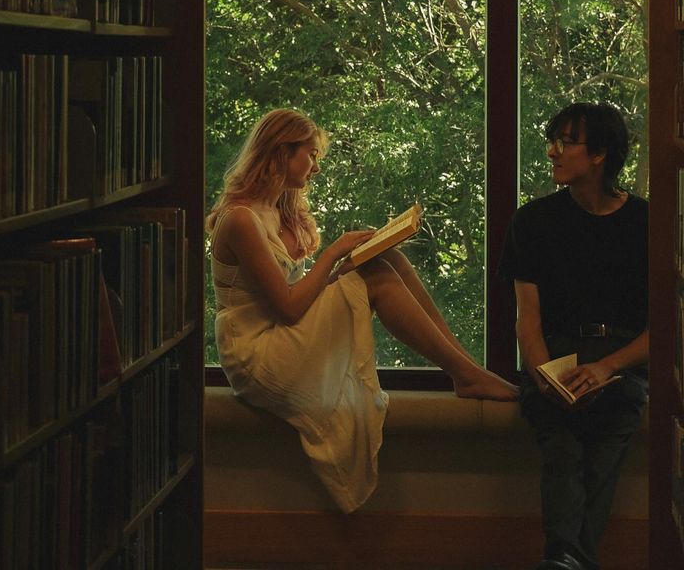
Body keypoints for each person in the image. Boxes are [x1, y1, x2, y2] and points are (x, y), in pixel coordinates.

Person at [207, 108, 519, 513]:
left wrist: (347, 266)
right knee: (380, 281)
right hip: (256, 351)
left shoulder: (279, 211)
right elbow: (286, 308)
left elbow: (296, 297)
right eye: (311, 155)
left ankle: (466, 369)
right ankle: (467, 376)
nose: (316, 168)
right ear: (282, 152)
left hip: (282, 331)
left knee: (390, 263)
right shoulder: (241, 220)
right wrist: (336, 254)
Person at [499, 102, 648, 570]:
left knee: (607, 442)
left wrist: (607, 368)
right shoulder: (533, 221)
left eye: (565, 142)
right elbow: (528, 318)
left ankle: (564, 558)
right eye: (552, 141)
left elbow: (664, 328)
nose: (552, 152)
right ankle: (570, 559)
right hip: (556, 356)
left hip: (619, 360)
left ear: (600, 154)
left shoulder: (646, 222)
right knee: (562, 442)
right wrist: (546, 376)